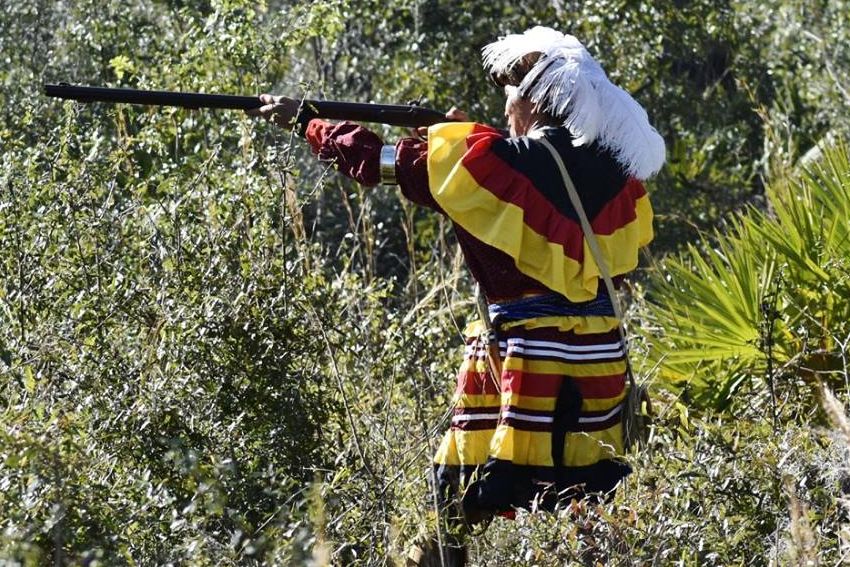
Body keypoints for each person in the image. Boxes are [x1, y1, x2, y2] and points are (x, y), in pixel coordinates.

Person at [251, 25, 664, 562]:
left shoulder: (491, 161)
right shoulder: (620, 178)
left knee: (454, 501)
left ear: (533, 104)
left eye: (510, 101)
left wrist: (309, 123)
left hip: (524, 361)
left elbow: (375, 163)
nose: (506, 112)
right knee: (589, 502)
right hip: (598, 362)